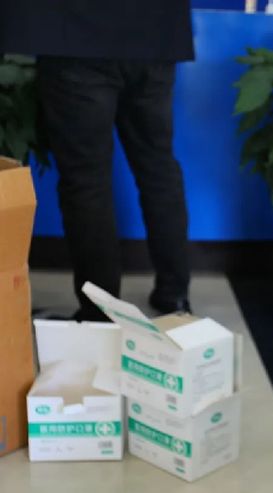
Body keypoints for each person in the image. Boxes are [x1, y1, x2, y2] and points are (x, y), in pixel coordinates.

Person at [0, 1, 193, 320]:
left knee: (86, 182)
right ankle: (175, 296)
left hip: (73, 33)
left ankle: (100, 312)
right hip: (155, 32)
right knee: (158, 169)